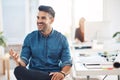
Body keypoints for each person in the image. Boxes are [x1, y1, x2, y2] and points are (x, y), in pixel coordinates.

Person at [9, 5, 72, 80]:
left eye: (43, 18)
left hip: (53, 75)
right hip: (35, 74)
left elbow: (67, 63)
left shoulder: (62, 39)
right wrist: (18, 60)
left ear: (51, 20)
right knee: (18, 70)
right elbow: (23, 63)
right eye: (38, 17)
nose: (39, 21)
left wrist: (62, 73)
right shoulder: (30, 38)